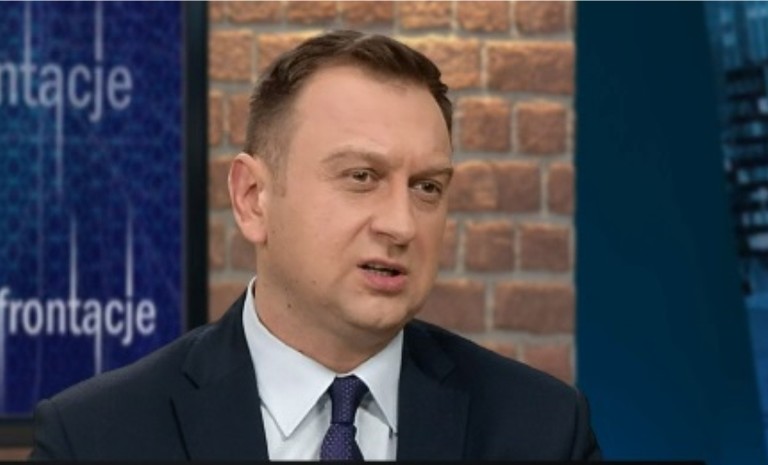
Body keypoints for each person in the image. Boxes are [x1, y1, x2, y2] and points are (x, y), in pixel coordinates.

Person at [30, 30, 601, 461]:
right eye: (361, 177)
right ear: (253, 198)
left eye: (427, 187)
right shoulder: (94, 438)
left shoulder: (545, 431)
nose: (401, 225)